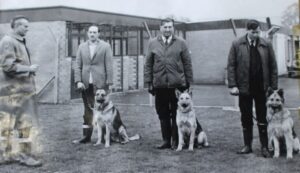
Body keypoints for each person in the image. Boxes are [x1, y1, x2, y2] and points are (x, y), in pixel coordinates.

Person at [227, 19, 278, 157]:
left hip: (262, 88)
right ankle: (247, 145)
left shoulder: (266, 44)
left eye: (258, 32)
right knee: (246, 117)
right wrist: (233, 85)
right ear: (247, 31)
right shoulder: (237, 44)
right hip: (244, 88)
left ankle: (264, 147)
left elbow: (273, 67)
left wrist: (273, 88)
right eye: (253, 32)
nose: (256, 34)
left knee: (262, 117)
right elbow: (231, 66)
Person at [144, 18, 193, 149]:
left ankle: (176, 141)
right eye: (165, 27)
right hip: (160, 86)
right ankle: (166, 140)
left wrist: (189, 82)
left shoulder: (181, 42)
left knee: (176, 113)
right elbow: (148, 64)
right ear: (160, 28)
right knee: (162, 113)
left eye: (170, 27)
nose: (167, 29)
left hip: (177, 85)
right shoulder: (152, 43)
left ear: (173, 28)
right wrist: (149, 82)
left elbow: (187, 63)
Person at [0, 15, 42, 166]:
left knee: (10, 124)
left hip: (19, 90)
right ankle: (23, 157)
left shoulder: (17, 41)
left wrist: (28, 71)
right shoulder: (8, 41)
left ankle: (5, 156)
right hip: (14, 91)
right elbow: (7, 66)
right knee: (23, 123)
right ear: (17, 26)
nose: (27, 28)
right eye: (25, 26)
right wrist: (28, 68)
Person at [73, 25, 113, 144]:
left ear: (98, 34)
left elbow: (109, 66)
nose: (92, 34)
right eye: (90, 32)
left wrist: (109, 82)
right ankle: (86, 137)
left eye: (95, 32)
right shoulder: (81, 47)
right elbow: (78, 65)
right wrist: (78, 81)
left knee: (104, 110)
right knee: (87, 110)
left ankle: (107, 137)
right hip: (85, 85)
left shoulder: (105, 46)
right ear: (87, 33)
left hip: (101, 84)